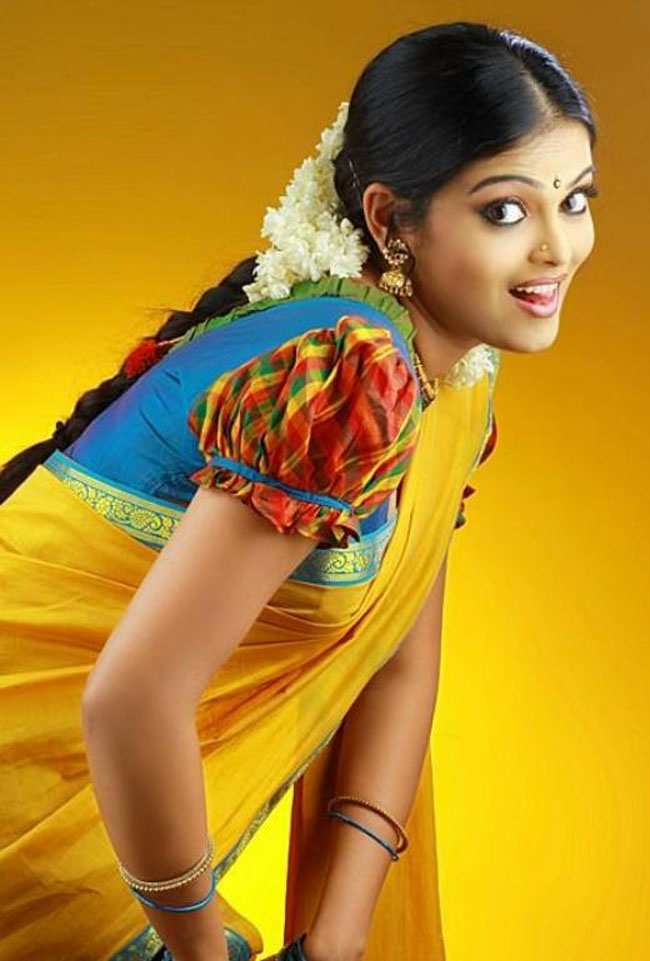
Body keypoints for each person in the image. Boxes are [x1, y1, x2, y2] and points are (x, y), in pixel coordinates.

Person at [0, 19, 598, 961]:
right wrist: (202, 954)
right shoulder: (347, 374)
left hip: (93, 827)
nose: (557, 247)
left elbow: (396, 661)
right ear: (391, 221)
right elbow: (131, 700)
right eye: (506, 212)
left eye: (576, 198)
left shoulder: (453, 383)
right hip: (31, 817)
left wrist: (336, 939)